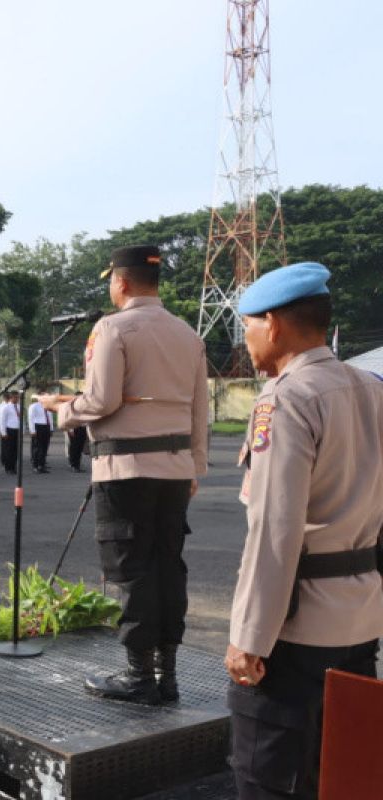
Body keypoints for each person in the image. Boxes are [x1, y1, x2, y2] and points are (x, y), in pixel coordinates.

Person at [221, 262, 383, 799]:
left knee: (268, 778)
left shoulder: (285, 398)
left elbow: (275, 528)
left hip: (295, 631)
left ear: (272, 324)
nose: (244, 341)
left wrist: (249, 637)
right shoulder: (371, 389)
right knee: (339, 774)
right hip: (360, 618)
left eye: (245, 327)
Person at [39, 245, 209, 706]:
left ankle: (138, 676)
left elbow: (101, 400)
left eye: (110, 279)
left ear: (122, 282)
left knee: (130, 570)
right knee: (167, 567)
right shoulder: (188, 334)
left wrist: (61, 408)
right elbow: (200, 411)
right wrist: (195, 467)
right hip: (174, 471)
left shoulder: (112, 328)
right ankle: (165, 675)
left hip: (126, 470)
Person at [27, 394, 54, 474]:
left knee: (45, 447)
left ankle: (41, 465)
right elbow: (30, 418)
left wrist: (51, 428)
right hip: (38, 426)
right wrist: (32, 430)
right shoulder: (34, 406)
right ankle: (35, 466)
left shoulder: (48, 406)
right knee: (37, 448)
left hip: (46, 426)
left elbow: (50, 418)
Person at [0, 391, 20, 474]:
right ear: (11, 397)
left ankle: (13, 467)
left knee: (15, 450)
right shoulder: (6, 407)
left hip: (17, 430)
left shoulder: (18, 406)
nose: (17, 399)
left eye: (18, 397)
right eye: (16, 397)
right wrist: (3, 432)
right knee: (9, 450)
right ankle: (8, 468)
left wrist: (22, 430)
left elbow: (20, 419)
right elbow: (2, 421)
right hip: (9, 430)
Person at [66, 393, 89, 473]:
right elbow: (69, 418)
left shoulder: (83, 406)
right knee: (74, 447)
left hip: (83, 428)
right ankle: (73, 464)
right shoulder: (72, 406)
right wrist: (71, 429)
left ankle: (77, 465)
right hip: (75, 428)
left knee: (80, 448)